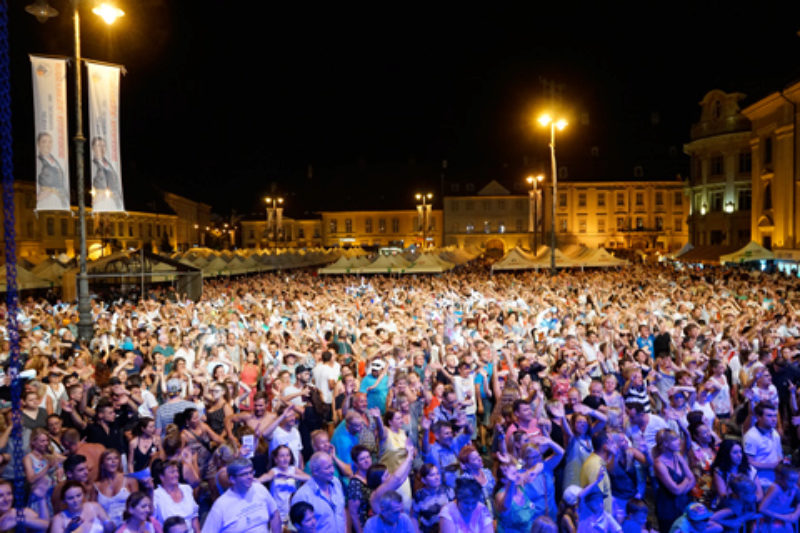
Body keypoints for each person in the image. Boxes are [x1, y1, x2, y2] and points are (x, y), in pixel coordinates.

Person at [202, 457, 281, 533]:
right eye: (244, 474)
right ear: (232, 479)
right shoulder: (221, 505)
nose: (250, 477)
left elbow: (274, 513)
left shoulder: (259, 489)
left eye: (251, 472)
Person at [292, 452, 347, 533]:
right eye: (327, 468)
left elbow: (342, 513)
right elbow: (297, 528)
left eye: (332, 466)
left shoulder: (336, 482)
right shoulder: (302, 496)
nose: (332, 470)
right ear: (315, 471)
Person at [258, 444, 309, 528]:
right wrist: (257, 480)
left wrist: (292, 475)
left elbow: (309, 479)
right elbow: (267, 476)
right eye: (282, 456)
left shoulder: (293, 469)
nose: (285, 459)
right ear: (276, 459)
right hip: (278, 510)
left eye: (287, 455)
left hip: (291, 509)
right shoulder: (274, 471)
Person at [653, 429, 695, 533]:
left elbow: (693, 479)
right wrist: (686, 481)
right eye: (675, 439)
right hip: (668, 509)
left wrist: (682, 490)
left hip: (683, 504)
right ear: (665, 444)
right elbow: (675, 490)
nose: (679, 441)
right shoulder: (659, 464)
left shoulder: (678, 456)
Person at [742, 401, 783, 490]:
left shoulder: (775, 433)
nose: (774, 419)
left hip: (776, 481)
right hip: (761, 483)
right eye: (769, 416)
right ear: (758, 417)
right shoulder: (751, 436)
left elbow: (779, 455)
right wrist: (771, 465)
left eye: (774, 415)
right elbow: (748, 463)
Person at [151, 460, 199, 533]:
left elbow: (194, 517)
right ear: (162, 477)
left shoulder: (186, 489)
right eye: (172, 472)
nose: (176, 474)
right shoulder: (156, 495)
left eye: (177, 471)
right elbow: (153, 523)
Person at [94, 449, 138, 528]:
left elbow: (138, 503)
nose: (113, 461)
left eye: (116, 458)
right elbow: (93, 510)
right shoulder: (96, 486)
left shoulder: (129, 478)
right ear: (103, 464)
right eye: (109, 459)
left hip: (128, 526)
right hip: (107, 528)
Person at [412, 463, 451, 533]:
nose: (437, 477)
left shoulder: (448, 491)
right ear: (424, 480)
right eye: (432, 475)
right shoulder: (419, 495)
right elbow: (413, 517)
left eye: (437, 474)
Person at [35, 131, 69, 210]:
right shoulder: (39, 161)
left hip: (60, 200)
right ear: (38, 144)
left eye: (50, 142)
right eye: (44, 141)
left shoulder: (55, 160)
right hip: (48, 202)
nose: (47, 144)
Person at [90, 136, 123, 211]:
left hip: (114, 204)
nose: (102, 148)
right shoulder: (94, 165)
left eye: (103, 146)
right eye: (99, 145)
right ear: (93, 148)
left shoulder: (109, 165)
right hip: (101, 204)